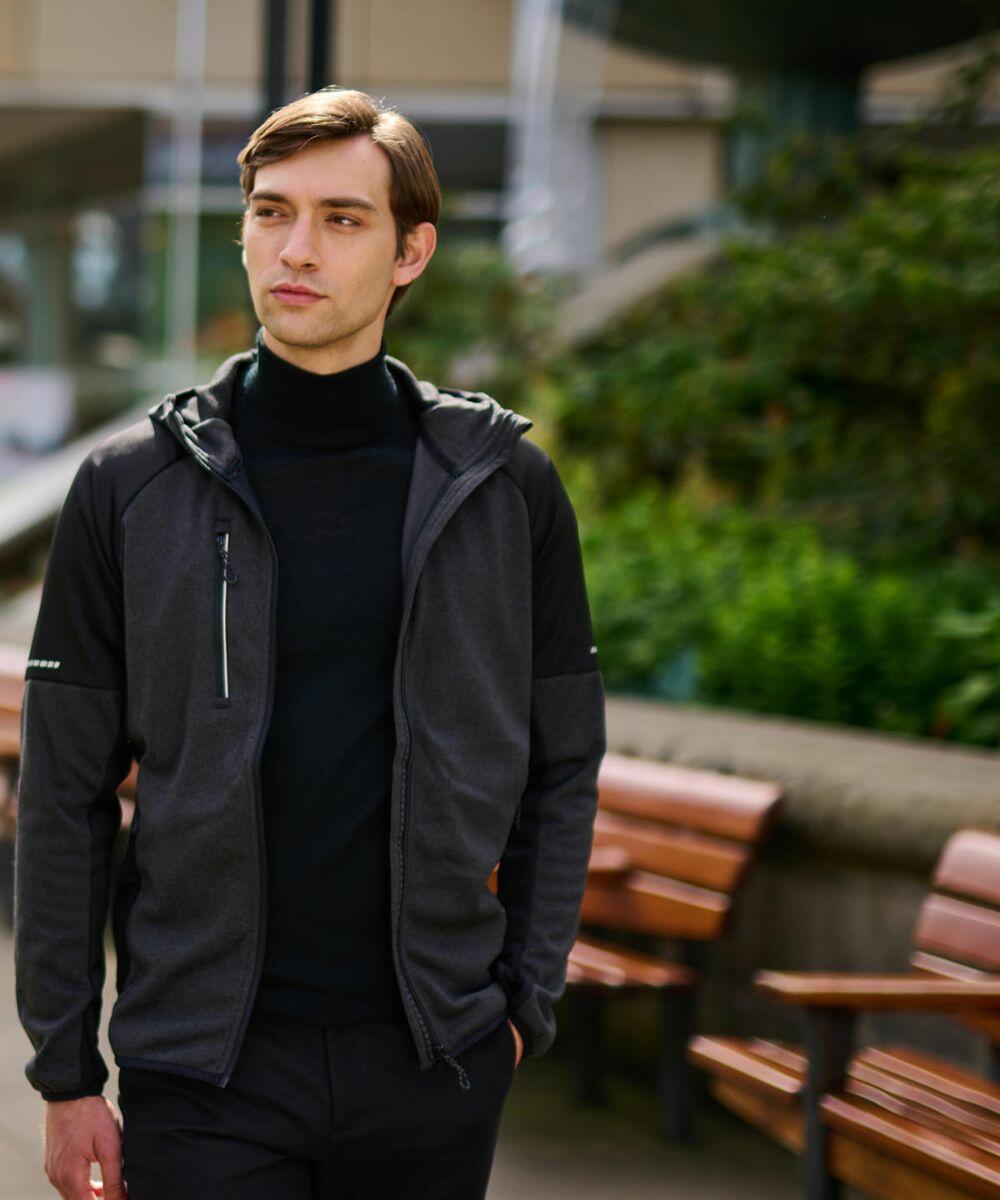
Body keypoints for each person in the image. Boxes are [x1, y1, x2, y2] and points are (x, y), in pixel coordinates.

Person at [14, 86, 607, 1200]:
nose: (297, 248)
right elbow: (63, 791)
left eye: (341, 219)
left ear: (410, 251)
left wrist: (520, 1002)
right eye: (271, 212)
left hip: (432, 1060)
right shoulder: (130, 488)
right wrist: (63, 1070)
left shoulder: (503, 489)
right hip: (204, 1064)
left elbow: (562, 761)